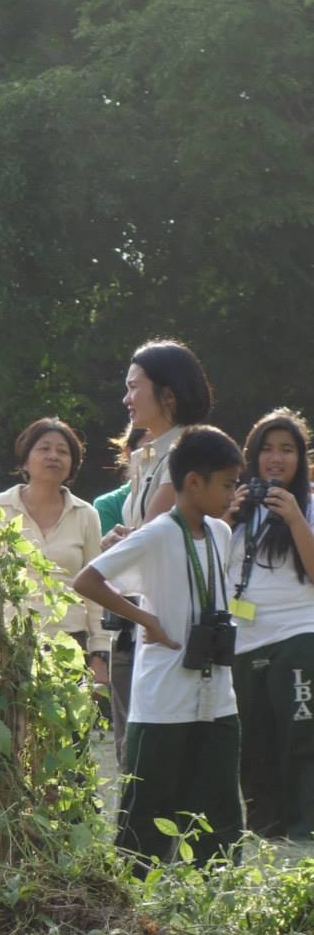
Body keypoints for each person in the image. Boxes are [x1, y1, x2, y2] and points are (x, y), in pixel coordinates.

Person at [76, 426, 245, 872]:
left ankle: (218, 891)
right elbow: (87, 579)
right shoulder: (156, 534)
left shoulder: (221, 535)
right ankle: (135, 900)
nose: (233, 494)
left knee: (221, 806)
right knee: (147, 812)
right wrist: (145, 618)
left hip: (217, 693)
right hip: (163, 701)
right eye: (226, 484)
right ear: (194, 482)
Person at [100, 341, 214, 764]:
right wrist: (121, 540)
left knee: (155, 755)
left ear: (168, 392)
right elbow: (139, 536)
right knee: (131, 753)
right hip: (135, 620)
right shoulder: (147, 455)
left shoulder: (186, 453)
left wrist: (120, 543)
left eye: (134, 387)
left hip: (167, 624)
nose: (126, 399)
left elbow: (150, 536)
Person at [227, 409, 314, 839]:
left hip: (299, 634)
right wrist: (228, 516)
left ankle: (304, 830)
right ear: (252, 456)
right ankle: (264, 828)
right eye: (266, 449)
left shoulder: (309, 502)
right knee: (253, 743)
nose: (276, 458)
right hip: (243, 640)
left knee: (302, 736)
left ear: (301, 458)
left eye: (287, 449)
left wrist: (296, 517)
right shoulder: (237, 504)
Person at [0, 418, 112, 684]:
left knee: (67, 725)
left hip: (70, 645)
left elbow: (97, 589)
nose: (53, 456)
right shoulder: (0, 509)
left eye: (63, 451)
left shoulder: (86, 515)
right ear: (25, 461)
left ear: (73, 464)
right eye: (44, 448)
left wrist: (100, 652)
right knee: (15, 725)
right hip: (11, 645)